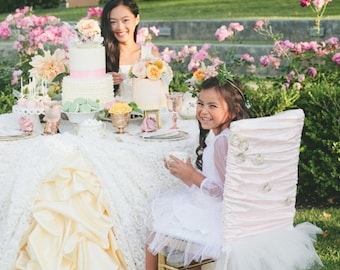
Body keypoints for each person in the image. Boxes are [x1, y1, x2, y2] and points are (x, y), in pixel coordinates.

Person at [145, 73, 251, 270]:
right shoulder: (226, 136)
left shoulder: (223, 142)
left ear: (234, 111)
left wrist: (191, 175)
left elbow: (223, 192)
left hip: (219, 216)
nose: (203, 111)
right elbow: (215, 181)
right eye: (201, 103)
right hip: (222, 211)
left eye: (213, 106)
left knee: (155, 218)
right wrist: (185, 175)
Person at [101, 0, 160, 100]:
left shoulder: (151, 56)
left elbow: (159, 94)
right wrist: (103, 81)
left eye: (125, 20)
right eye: (113, 22)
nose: (120, 27)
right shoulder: (102, 55)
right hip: (111, 114)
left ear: (137, 19)